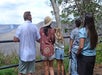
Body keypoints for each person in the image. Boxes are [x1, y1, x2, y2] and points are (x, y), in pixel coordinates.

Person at [13, 11, 40, 75]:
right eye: (31, 16)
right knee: (30, 72)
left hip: (23, 54)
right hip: (32, 53)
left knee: (21, 72)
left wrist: (21, 39)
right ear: (29, 17)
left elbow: (15, 39)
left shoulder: (20, 27)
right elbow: (39, 39)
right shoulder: (34, 27)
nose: (32, 17)